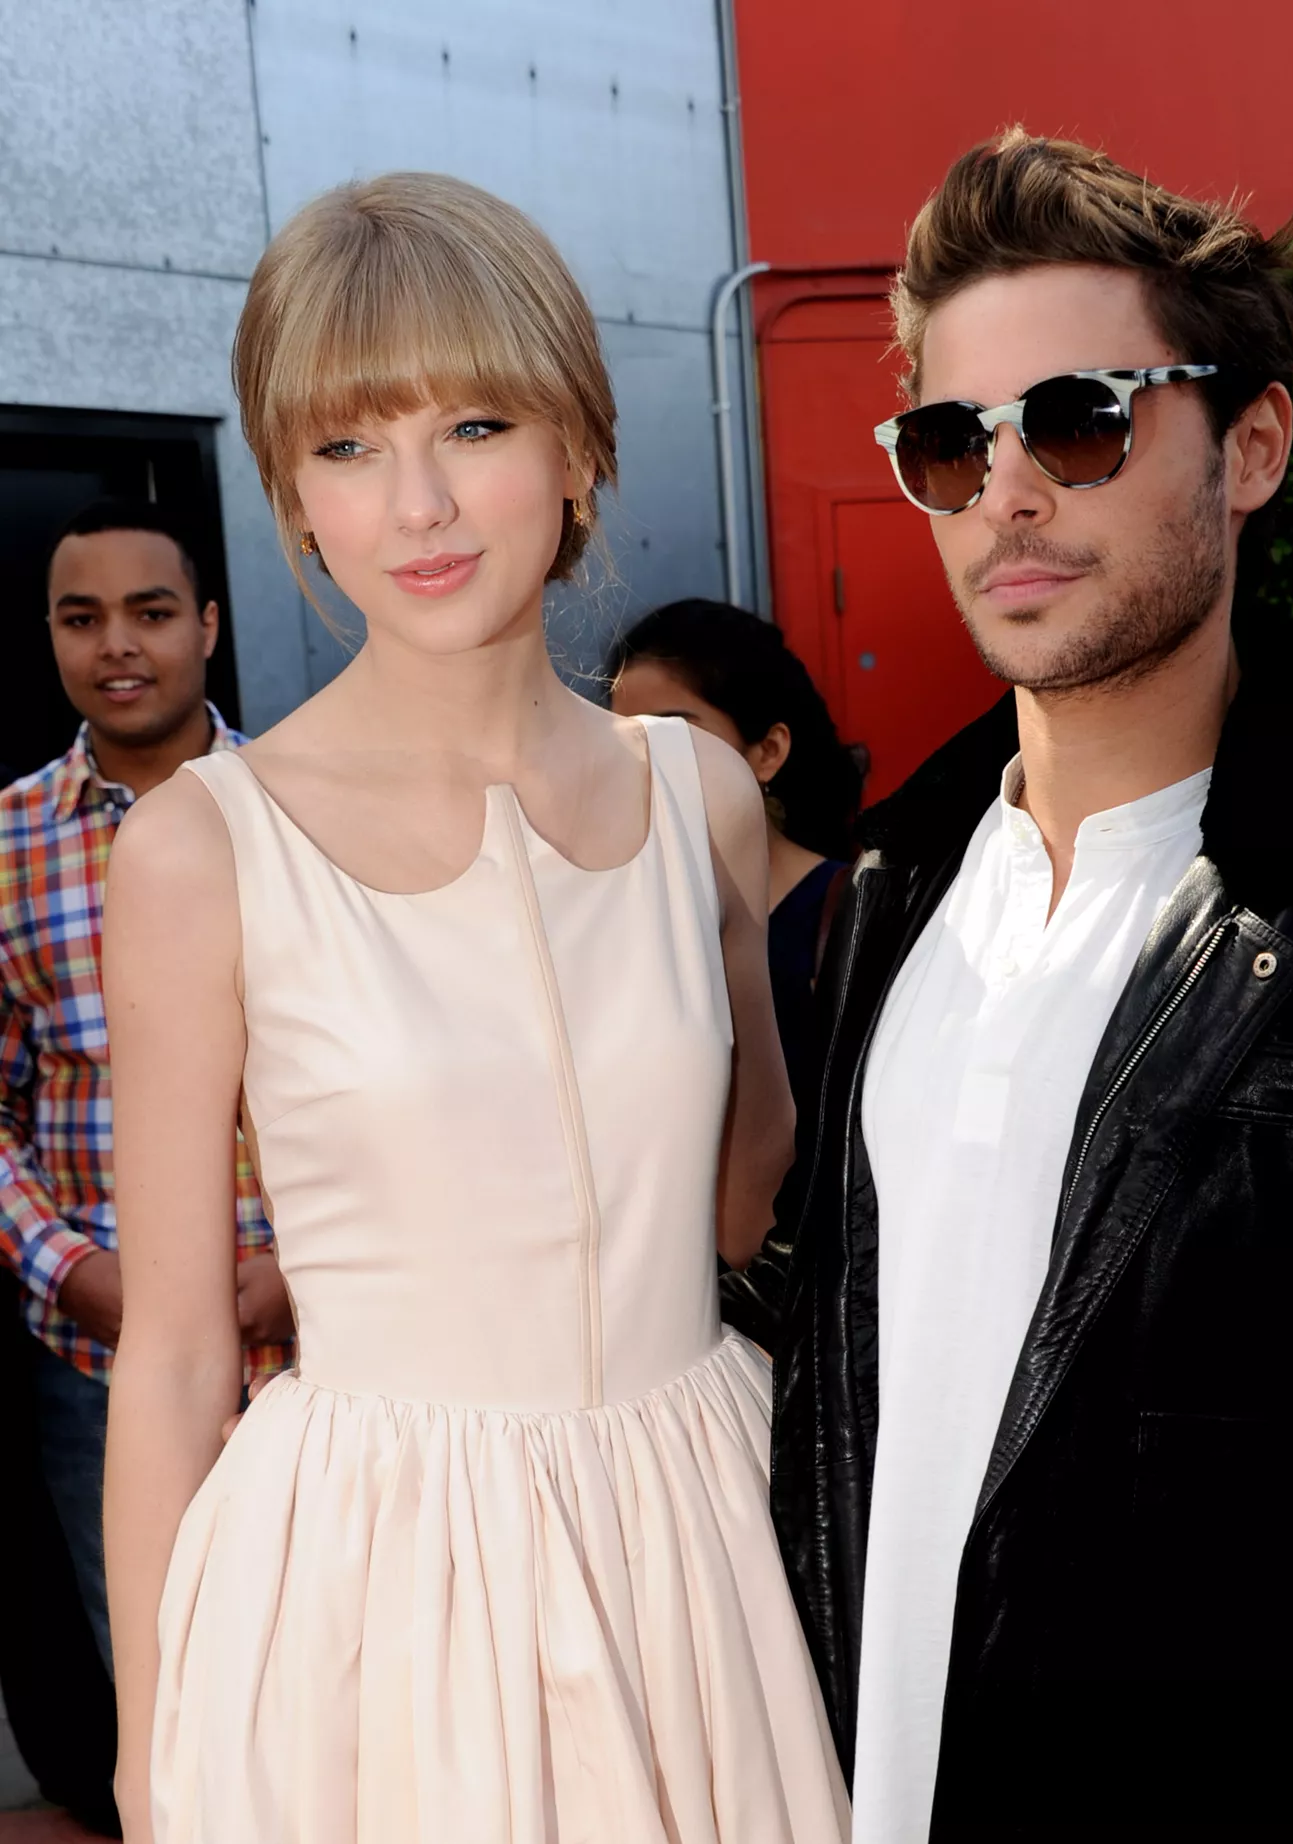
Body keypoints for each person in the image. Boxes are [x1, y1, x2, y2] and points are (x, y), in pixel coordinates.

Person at [722, 129, 1293, 1842]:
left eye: (1080, 418)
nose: (1008, 491)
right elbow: (812, 1336)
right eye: (950, 440)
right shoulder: (885, 893)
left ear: (1255, 444)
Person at [102, 173, 850, 1844]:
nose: (420, 502)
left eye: (477, 422)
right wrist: (152, 1758)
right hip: (372, 1577)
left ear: (578, 445)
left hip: (698, 1532)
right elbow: (168, 1356)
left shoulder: (702, 794)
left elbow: (746, 1194)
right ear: (294, 489)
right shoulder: (201, 845)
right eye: (350, 446)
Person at [0, 501, 293, 1707]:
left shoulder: (308, 808)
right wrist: (68, 1268)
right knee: (170, 1693)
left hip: (324, 1348)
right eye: (83, 617)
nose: (118, 644)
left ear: (209, 626)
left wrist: (305, 1266)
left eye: (152, 611)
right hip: (104, 1359)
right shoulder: (10, 841)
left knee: (342, 1677)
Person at [608, 599, 862, 1100]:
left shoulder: (854, 913)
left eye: (674, 732)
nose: (643, 763)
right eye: (620, 738)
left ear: (768, 751)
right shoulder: (618, 911)